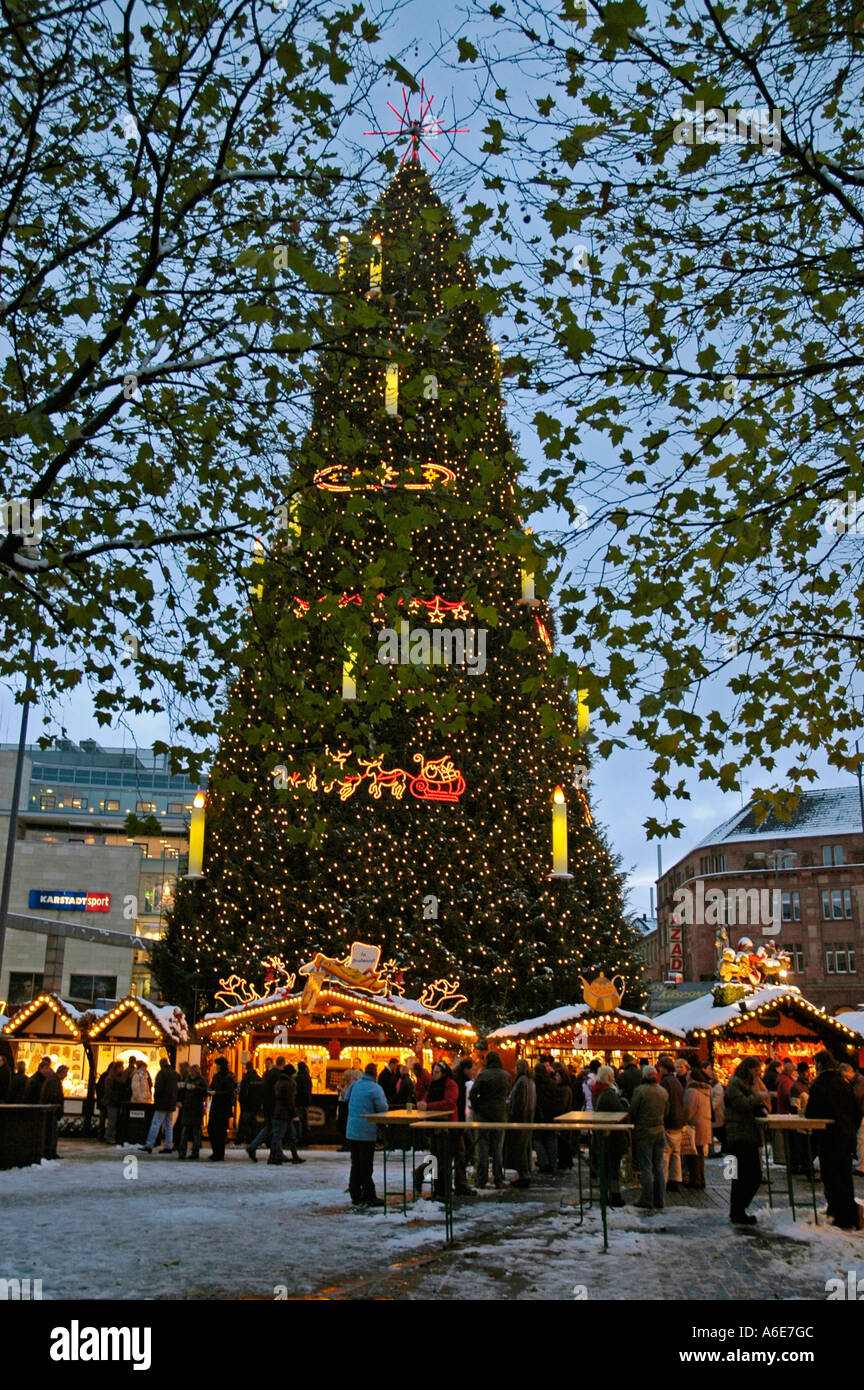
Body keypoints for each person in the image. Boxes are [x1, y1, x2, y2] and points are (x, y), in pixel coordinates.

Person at [805, 1051, 863, 1230]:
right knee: (845, 1176)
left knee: (831, 1176)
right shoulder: (844, 1084)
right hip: (846, 1135)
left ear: (819, 1065)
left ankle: (843, 1214)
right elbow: (857, 1111)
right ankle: (847, 1213)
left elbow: (811, 1113)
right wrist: (851, 1128)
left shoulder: (819, 1085)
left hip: (829, 1136)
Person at [724, 1057, 769, 1225]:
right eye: (756, 1069)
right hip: (740, 1134)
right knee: (746, 1174)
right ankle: (738, 1210)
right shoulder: (735, 1084)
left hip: (748, 1133)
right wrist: (759, 1097)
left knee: (746, 1175)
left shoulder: (748, 1084)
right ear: (749, 1068)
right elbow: (742, 1105)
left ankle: (738, 1210)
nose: (759, 1073)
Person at [346, 1062, 387, 1207]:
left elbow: (346, 1098)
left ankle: (355, 1194)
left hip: (352, 1129)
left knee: (355, 1163)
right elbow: (383, 1108)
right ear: (375, 1074)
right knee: (366, 1164)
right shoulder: (375, 1088)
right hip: (366, 1131)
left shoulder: (355, 1084)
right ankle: (369, 1195)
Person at [629, 1065, 668, 1212]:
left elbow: (633, 1110)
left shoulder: (640, 1091)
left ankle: (647, 1199)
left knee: (646, 1167)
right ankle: (660, 1199)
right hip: (660, 1131)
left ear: (644, 1076)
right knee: (658, 1166)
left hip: (644, 1132)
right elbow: (667, 1111)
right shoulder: (663, 1091)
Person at [469, 1051, 510, 1190]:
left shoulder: (483, 1075)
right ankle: (498, 1178)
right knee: (498, 1148)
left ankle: (481, 1179)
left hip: (484, 1115)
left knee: (483, 1147)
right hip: (500, 1115)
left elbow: (473, 1093)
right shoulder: (506, 1076)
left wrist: (477, 1106)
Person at [593, 1065, 628, 1206]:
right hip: (611, 1135)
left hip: (602, 1133)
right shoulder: (608, 1093)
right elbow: (619, 1111)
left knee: (605, 1165)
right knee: (612, 1166)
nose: (614, 1077)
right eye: (612, 1075)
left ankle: (605, 1193)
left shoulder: (597, 1090)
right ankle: (614, 1194)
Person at [506, 1058, 536, 1188]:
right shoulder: (530, 1082)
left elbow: (518, 1102)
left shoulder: (521, 1082)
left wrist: (512, 1113)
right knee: (525, 1147)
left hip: (520, 1119)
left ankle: (524, 1174)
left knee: (520, 1148)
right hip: (528, 1118)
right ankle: (525, 1172)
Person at [658, 1055, 685, 1191]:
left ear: (663, 1068)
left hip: (669, 1120)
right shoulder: (677, 1082)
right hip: (679, 1120)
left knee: (665, 1153)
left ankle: (664, 1179)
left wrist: (662, 1117)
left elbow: (664, 1102)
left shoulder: (665, 1082)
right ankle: (676, 1179)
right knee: (676, 1152)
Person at [141, 1058, 180, 1153]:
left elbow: (158, 1088)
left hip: (162, 1103)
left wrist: (156, 1099)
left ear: (161, 1064)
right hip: (171, 1103)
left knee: (155, 1123)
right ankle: (168, 1146)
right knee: (168, 1125)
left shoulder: (162, 1074)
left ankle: (149, 1144)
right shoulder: (175, 1074)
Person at [683, 1067, 712, 1189]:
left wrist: (684, 1120)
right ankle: (701, 1178)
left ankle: (695, 1179)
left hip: (695, 1125)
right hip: (704, 1123)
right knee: (699, 1152)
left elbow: (689, 1109)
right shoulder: (705, 1090)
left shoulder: (692, 1091)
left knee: (693, 1153)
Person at [450, 1057, 475, 1194]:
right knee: (460, 1152)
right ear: (466, 1069)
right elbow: (458, 1105)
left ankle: (460, 1183)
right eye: (472, 1069)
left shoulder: (459, 1081)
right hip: (456, 1123)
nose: (474, 1071)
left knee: (456, 1153)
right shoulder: (458, 1083)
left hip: (456, 1122)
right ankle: (461, 1184)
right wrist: (462, 1123)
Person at [207, 1057, 237, 1161]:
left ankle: (219, 1153)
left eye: (218, 1065)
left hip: (222, 1107)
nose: (216, 1067)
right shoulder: (216, 1076)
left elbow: (229, 1092)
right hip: (216, 1107)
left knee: (220, 1131)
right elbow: (211, 1087)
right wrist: (209, 1091)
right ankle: (216, 1152)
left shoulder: (228, 1077)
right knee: (212, 1129)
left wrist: (216, 1093)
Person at [533, 1057, 559, 1173]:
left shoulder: (534, 1083)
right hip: (551, 1114)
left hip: (538, 1114)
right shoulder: (552, 1083)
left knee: (537, 1139)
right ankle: (552, 1162)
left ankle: (544, 1162)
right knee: (551, 1138)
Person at [176, 1064, 207, 1159]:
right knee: (185, 1131)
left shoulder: (201, 1080)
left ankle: (195, 1152)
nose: (190, 1073)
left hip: (196, 1108)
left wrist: (195, 1088)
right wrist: (179, 1100)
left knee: (195, 1132)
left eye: (191, 1071)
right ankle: (182, 1152)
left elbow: (205, 1091)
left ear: (196, 1072)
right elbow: (182, 1091)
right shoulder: (188, 1079)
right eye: (189, 1072)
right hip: (188, 1108)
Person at [839, 1063, 864, 1175]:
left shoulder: (859, 1081)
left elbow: (856, 1097)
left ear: (847, 1072)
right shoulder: (858, 1080)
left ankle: (861, 1167)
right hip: (860, 1114)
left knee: (861, 1141)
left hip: (861, 1115)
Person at [40, 1063, 67, 1160]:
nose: (66, 1076)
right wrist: (56, 1108)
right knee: (52, 1132)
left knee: (52, 1132)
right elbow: (53, 1096)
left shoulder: (54, 1080)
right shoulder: (54, 1081)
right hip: (51, 1111)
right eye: (65, 1073)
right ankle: (50, 1152)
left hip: (52, 1110)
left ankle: (51, 1152)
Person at [236, 1062, 263, 1147]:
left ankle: (240, 1141)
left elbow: (243, 1093)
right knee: (254, 1124)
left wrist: (242, 1103)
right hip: (255, 1106)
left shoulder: (246, 1078)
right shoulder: (259, 1078)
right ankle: (254, 1141)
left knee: (243, 1124)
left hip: (247, 1105)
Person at [337, 1068, 361, 1151]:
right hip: (345, 1107)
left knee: (344, 1126)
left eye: (346, 1076)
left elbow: (347, 1096)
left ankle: (346, 1145)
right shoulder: (349, 1084)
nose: (344, 1078)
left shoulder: (351, 1085)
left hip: (345, 1108)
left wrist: (341, 1090)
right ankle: (346, 1144)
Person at [104, 1060, 126, 1144]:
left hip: (115, 1101)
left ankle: (111, 1136)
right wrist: (115, 1097)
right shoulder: (111, 1078)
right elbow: (108, 1091)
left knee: (114, 1120)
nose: (123, 1069)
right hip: (112, 1102)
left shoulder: (118, 1077)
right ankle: (109, 1137)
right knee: (112, 1120)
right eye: (121, 1067)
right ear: (117, 1068)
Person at [295, 1060, 313, 1146]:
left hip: (298, 1102)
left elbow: (296, 1090)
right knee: (305, 1121)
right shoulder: (308, 1077)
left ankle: (300, 1139)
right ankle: (307, 1138)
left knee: (299, 1122)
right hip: (306, 1102)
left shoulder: (298, 1078)